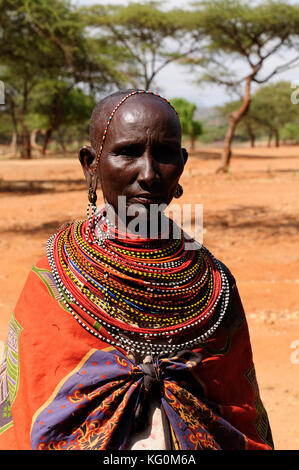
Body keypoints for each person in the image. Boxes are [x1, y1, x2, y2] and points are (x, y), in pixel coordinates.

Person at [0, 89, 273, 450]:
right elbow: (28, 408)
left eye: (164, 154)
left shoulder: (212, 283)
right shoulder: (55, 278)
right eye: (127, 152)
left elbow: (239, 410)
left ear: (183, 162)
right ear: (90, 163)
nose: (148, 173)